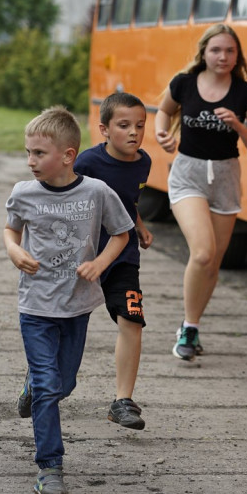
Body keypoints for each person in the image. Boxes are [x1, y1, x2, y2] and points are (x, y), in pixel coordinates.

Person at [4, 106, 133, 494]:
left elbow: (121, 234)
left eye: (39, 153)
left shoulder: (96, 192)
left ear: (67, 155)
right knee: (49, 386)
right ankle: (50, 466)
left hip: (77, 306)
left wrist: (99, 264)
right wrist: (14, 251)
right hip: (36, 306)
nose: (31, 161)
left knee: (63, 383)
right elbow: (10, 230)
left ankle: (33, 386)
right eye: (28, 152)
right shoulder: (23, 193)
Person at [154, 23, 247, 361]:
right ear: (204, 52)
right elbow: (164, 111)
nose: (223, 56)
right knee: (203, 253)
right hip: (188, 174)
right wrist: (162, 133)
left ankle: (192, 325)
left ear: (237, 56)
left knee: (213, 262)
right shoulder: (184, 83)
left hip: (226, 177)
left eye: (230, 51)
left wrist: (237, 124)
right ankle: (188, 328)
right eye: (216, 50)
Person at [66, 91, 154, 430]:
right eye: (124, 125)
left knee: (132, 319)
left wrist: (140, 226)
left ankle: (123, 401)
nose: (134, 132)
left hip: (123, 256)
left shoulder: (144, 162)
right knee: (65, 322)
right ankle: (41, 377)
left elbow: (129, 201)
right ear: (104, 129)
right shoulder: (87, 163)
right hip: (83, 257)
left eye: (140, 125)